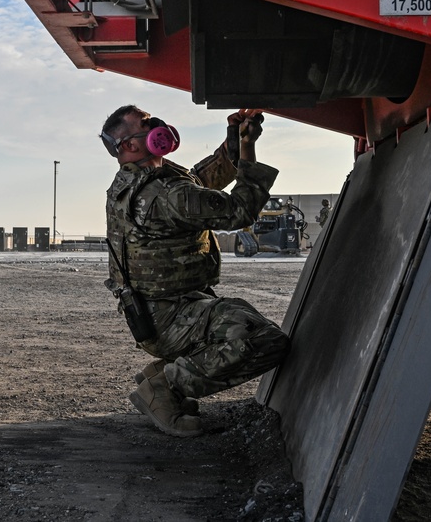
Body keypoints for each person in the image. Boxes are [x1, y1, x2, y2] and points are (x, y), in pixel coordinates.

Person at [101, 105, 290, 437]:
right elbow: (239, 211)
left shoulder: (135, 183)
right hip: (172, 318)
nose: (158, 124)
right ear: (128, 146)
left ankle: (163, 373)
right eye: (146, 125)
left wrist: (238, 140)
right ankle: (166, 387)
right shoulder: (164, 194)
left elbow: (199, 181)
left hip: (156, 313)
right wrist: (248, 156)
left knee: (236, 312)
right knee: (263, 338)